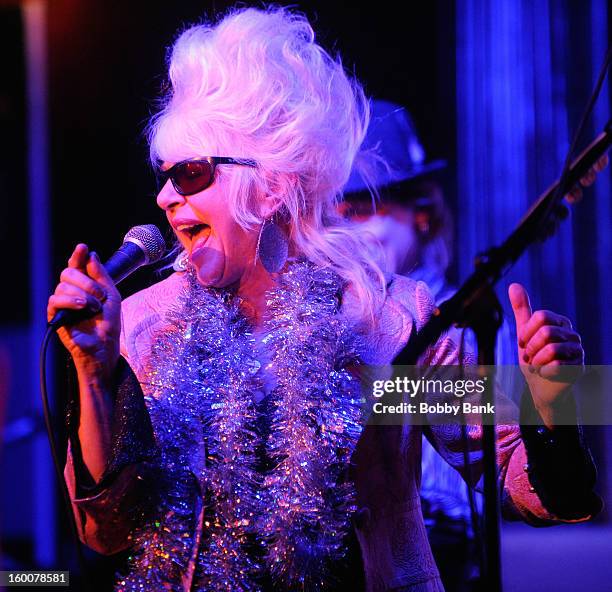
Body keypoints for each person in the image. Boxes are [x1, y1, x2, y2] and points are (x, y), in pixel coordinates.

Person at [47, 7, 602, 591]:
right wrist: (92, 372)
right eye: (163, 174)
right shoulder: (142, 328)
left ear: (272, 185)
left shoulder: (388, 325)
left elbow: (512, 473)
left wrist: (554, 415)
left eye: (189, 174)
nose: (163, 196)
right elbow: (105, 533)